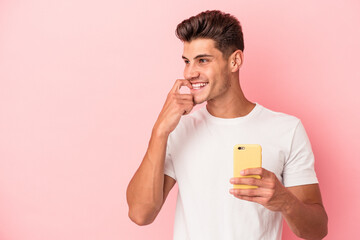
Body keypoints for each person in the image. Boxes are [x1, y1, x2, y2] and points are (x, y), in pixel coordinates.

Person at [126, 10, 328, 240]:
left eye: (203, 60)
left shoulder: (287, 130)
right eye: (186, 61)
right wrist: (159, 131)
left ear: (235, 60)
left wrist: (286, 202)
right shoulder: (179, 129)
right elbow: (140, 214)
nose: (190, 72)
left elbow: (317, 230)